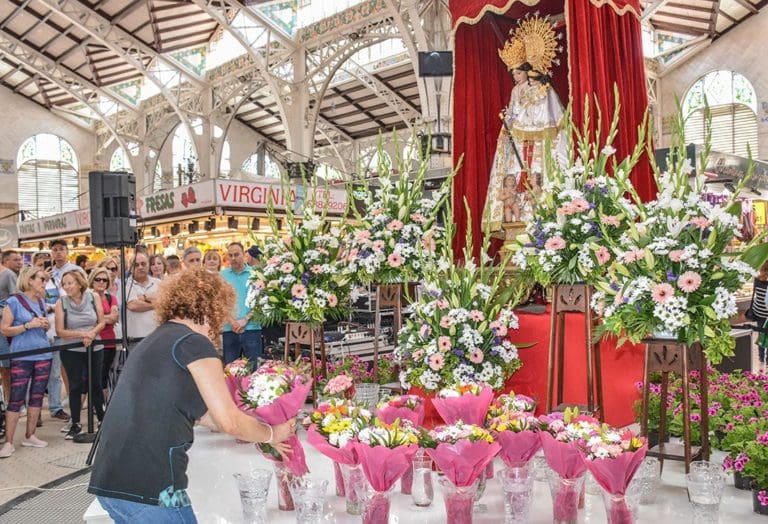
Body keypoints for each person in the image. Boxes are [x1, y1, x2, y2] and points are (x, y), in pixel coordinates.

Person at [88, 268, 296, 522]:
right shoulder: (194, 343)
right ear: (213, 307)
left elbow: (208, 416)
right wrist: (274, 433)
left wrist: (259, 431)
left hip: (112, 484)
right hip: (152, 488)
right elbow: (229, 421)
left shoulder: (157, 339)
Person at [0, 267, 52, 458]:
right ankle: (8, 442)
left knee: (37, 395)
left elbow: (43, 326)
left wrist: (46, 325)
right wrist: (28, 325)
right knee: (16, 398)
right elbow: (5, 329)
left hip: (43, 354)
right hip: (22, 355)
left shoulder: (41, 301)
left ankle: (30, 435)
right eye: (41, 279)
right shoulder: (14, 301)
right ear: (29, 280)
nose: (44, 283)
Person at [55, 270, 106, 439]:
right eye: (64, 284)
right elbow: (60, 331)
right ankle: (75, 423)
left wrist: (91, 334)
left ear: (79, 283)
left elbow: (102, 321)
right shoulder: (61, 303)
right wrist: (82, 335)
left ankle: (102, 419)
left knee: (96, 384)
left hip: (95, 347)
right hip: (71, 349)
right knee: (75, 386)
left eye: (70, 282)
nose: (67, 287)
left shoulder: (93, 297)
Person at [220, 242, 262, 365]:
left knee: (254, 371)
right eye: (230, 255)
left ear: (244, 255)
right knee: (230, 372)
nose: (233, 258)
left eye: (236, 254)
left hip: (252, 328)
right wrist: (232, 321)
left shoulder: (255, 274)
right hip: (229, 329)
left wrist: (245, 320)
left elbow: (261, 301)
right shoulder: (222, 276)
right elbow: (220, 302)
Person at [89, 267, 119, 400]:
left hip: (108, 342)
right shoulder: (87, 297)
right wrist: (104, 318)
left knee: (103, 376)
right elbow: (89, 319)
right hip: (92, 341)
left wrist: (99, 318)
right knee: (89, 378)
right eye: (98, 279)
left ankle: (102, 405)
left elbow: (114, 318)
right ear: (92, 280)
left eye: (105, 280)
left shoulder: (111, 298)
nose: (101, 282)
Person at [0, 250, 23, 414]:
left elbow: (16, 300)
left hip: (5, 327)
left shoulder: (7, 274)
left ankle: (13, 401)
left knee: (8, 366)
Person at [125, 252, 160, 339]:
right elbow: (133, 305)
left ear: (148, 265)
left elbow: (165, 302)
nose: (140, 267)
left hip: (157, 336)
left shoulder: (159, 283)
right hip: (136, 338)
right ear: (131, 268)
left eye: (143, 264)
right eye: (136, 265)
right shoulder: (126, 285)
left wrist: (141, 299)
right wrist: (155, 303)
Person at [750, 260, 768, 372]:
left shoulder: (757, 278)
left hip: (758, 311)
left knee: (761, 333)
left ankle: (761, 357)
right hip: (767, 313)